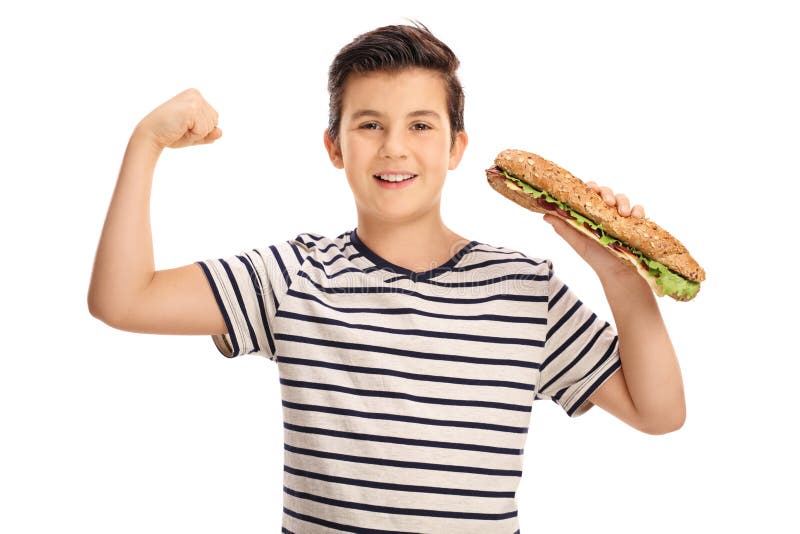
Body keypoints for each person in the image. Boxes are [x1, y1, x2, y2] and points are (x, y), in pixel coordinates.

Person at [88, 20, 685, 534]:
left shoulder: (524, 288)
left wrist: (620, 271)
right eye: (370, 125)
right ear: (334, 146)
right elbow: (123, 299)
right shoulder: (295, 276)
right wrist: (146, 143)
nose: (395, 147)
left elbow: (658, 413)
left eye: (421, 126)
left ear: (456, 146)